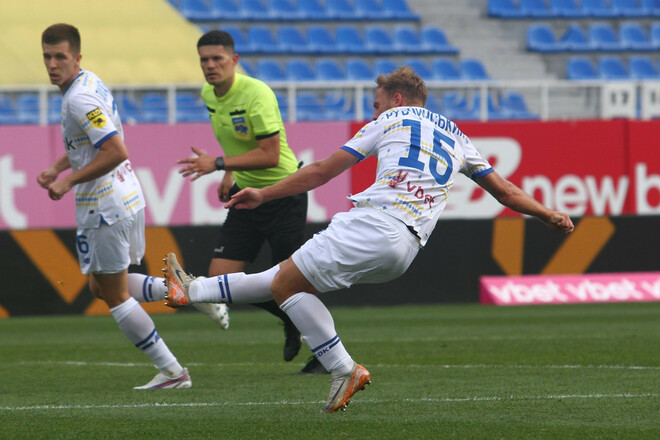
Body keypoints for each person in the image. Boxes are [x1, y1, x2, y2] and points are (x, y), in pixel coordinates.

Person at [162, 66, 575, 412]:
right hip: (406, 249)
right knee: (285, 282)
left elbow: (322, 169)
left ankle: (342, 367)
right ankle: (194, 290)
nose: (372, 110)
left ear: (396, 99)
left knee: (285, 285)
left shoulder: (391, 119)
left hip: (375, 223)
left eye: (375, 103)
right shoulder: (458, 138)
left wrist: (264, 192)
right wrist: (546, 214)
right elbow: (504, 191)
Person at [37, 23, 192, 389]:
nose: (52, 64)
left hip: (103, 205)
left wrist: (67, 180)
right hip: (125, 194)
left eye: (60, 56)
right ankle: (189, 293)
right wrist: (59, 165)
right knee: (100, 286)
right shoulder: (89, 82)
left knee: (113, 293)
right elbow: (93, 141)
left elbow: (116, 149)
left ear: (77, 57)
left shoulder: (79, 98)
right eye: (47, 56)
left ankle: (172, 371)